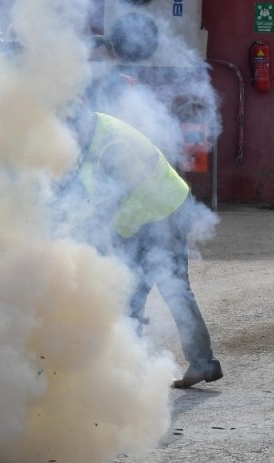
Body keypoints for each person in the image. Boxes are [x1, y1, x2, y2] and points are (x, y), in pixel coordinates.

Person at [72, 110, 223, 389]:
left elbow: (115, 200)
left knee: (149, 291)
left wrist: (101, 236)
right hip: (152, 215)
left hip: (163, 214)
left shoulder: (112, 143)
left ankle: (129, 372)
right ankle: (199, 363)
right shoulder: (94, 135)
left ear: (80, 125)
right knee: (158, 290)